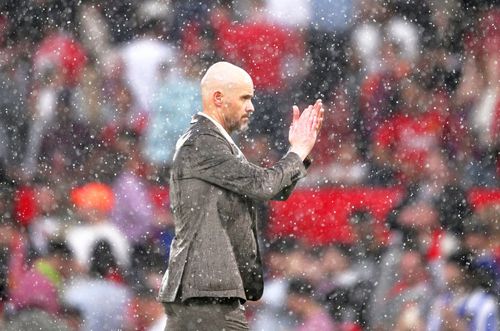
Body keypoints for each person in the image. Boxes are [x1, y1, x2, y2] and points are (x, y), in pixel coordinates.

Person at [157, 61, 324, 330]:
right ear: (218, 98)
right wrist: (297, 152)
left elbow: (272, 189)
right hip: (208, 292)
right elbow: (264, 185)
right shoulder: (204, 141)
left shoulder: (216, 143)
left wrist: (300, 153)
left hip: (200, 291)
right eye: (245, 98)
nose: (252, 107)